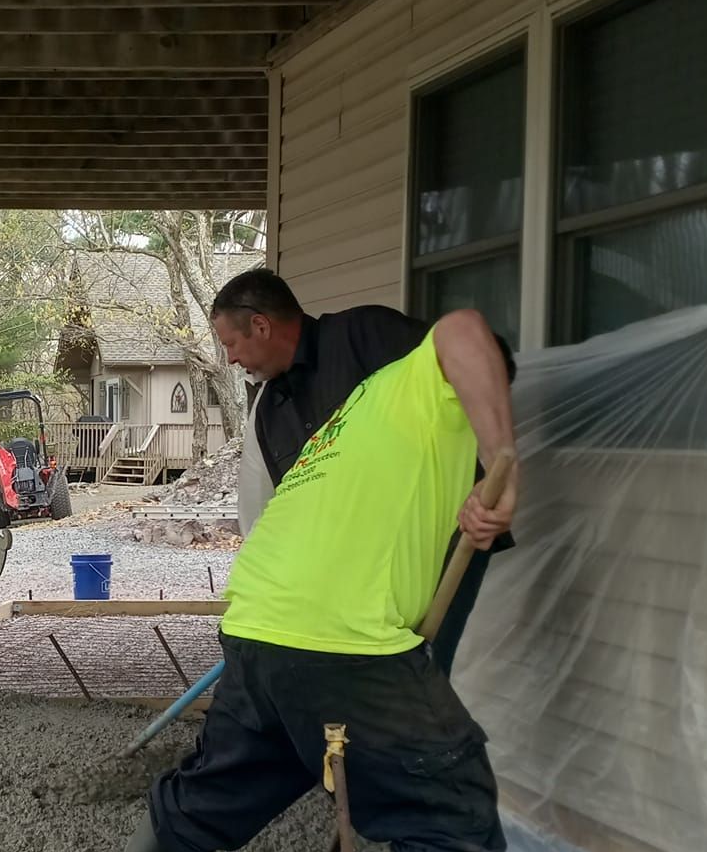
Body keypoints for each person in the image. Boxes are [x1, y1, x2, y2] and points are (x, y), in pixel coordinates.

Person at [61, 309, 518, 852]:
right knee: (449, 801)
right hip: (342, 637)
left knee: (219, 786)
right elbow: (468, 325)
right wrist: (506, 459)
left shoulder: (354, 418)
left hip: (259, 624)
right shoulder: (420, 383)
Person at [210, 266, 515, 674]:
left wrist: (500, 468)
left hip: (439, 542)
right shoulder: (269, 410)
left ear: (261, 326)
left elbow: (485, 354)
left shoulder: (364, 336)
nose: (230, 358)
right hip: (354, 582)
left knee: (422, 678)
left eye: (231, 343)